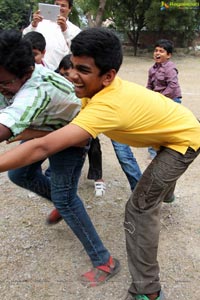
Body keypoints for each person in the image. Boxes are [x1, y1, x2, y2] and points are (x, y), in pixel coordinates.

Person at [0, 28, 199, 299]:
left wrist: (34, 137)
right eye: (72, 65)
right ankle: (167, 192)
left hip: (183, 140)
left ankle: (148, 291)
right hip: (167, 127)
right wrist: (33, 132)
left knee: (139, 209)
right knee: (156, 185)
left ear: (108, 76)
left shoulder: (105, 106)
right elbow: (57, 134)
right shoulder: (92, 93)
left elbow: (43, 148)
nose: (71, 75)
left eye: (82, 70)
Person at [0, 29, 120, 287]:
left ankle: (104, 260)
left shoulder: (35, 91)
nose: (2, 90)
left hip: (72, 135)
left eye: (5, 84)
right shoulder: (13, 79)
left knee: (65, 199)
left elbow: (16, 131)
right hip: (45, 128)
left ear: (26, 74)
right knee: (19, 173)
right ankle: (64, 205)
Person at [146, 39, 182, 159]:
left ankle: (172, 151)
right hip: (157, 101)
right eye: (156, 50)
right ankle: (153, 152)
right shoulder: (152, 69)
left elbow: (173, 85)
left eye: (161, 51)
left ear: (169, 55)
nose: (157, 53)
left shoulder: (170, 68)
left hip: (171, 100)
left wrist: (160, 97)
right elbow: (149, 86)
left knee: (169, 127)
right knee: (153, 124)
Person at [23, 0, 81, 70]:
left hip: (57, 73)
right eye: (57, 4)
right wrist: (34, 25)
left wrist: (65, 30)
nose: (59, 8)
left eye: (63, 6)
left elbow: (76, 50)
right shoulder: (40, 23)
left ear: (69, 9)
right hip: (34, 70)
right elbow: (24, 39)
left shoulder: (75, 30)